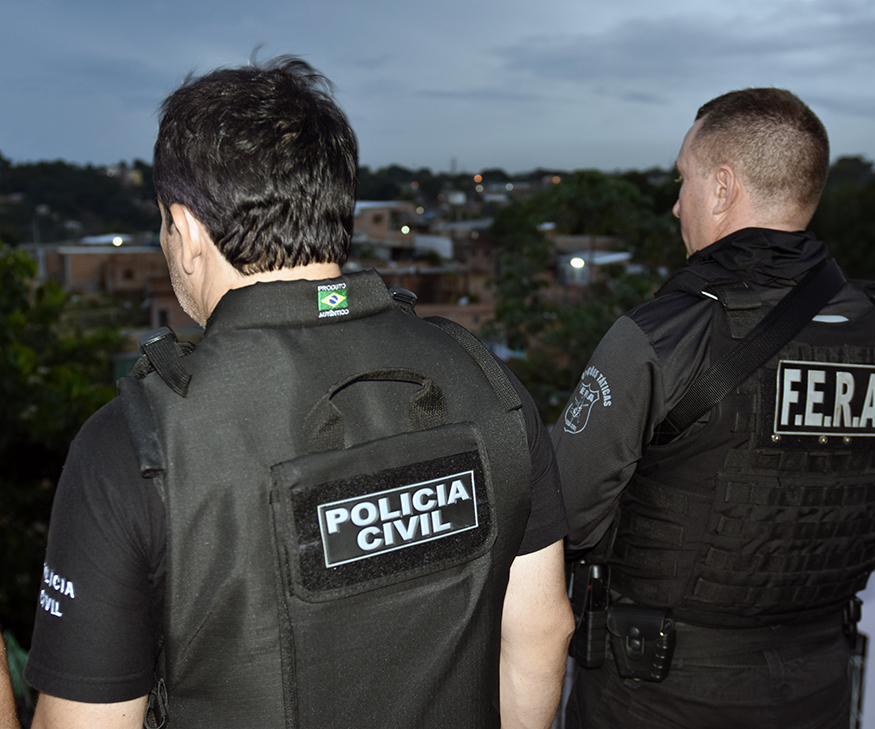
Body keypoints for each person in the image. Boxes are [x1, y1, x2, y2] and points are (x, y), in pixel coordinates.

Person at [26, 57, 573, 729]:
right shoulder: (485, 381)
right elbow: (542, 633)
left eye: (164, 227)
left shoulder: (136, 445)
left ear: (187, 231)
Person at [554, 88, 875, 729]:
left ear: (723, 188)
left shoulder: (665, 334)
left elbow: (560, 511)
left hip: (657, 690)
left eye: (685, 179)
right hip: (818, 686)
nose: (678, 204)